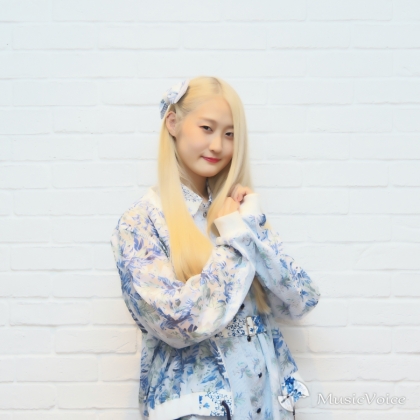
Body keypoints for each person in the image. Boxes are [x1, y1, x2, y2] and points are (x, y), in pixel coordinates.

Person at [110, 76, 321, 420]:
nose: (218, 146)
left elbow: (300, 301)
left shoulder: (235, 212)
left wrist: (249, 226)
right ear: (173, 123)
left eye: (230, 134)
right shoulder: (140, 223)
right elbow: (179, 324)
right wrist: (232, 241)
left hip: (268, 405)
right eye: (207, 128)